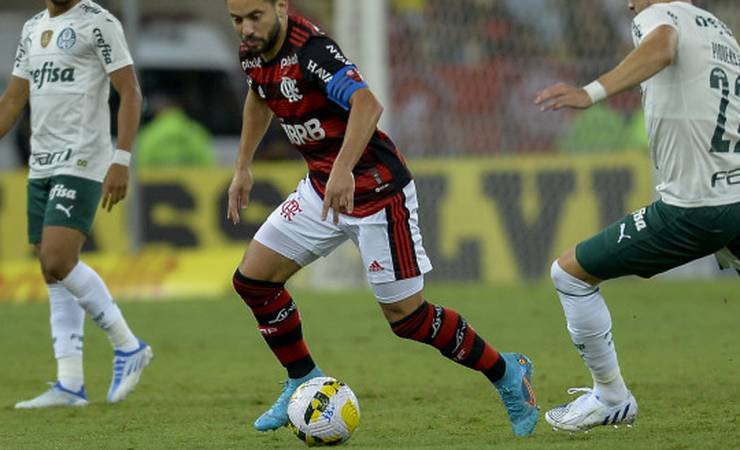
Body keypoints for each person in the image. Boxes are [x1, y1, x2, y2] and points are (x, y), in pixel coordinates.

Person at [225, 0, 538, 437]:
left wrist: (341, 170)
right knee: (254, 281)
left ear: (280, 7)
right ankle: (302, 378)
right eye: (237, 20)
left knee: (408, 320)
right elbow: (260, 95)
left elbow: (368, 106)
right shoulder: (253, 51)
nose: (246, 29)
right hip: (322, 189)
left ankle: (507, 372)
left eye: (254, 17)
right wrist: (243, 166)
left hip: (376, 192)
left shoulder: (311, 50)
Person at [535, 0, 740, 431]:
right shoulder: (720, 31)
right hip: (736, 194)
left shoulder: (659, 16)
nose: (629, 4)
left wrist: (589, 93)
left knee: (569, 274)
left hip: (694, 207)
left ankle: (611, 397)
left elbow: (663, 45)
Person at [0, 0, 152, 408]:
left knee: (57, 258)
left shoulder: (98, 23)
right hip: (41, 162)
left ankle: (129, 345)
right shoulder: (32, 27)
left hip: (83, 159)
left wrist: (121, 159)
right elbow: (14, 99)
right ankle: (70, 383)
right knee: (51, 271)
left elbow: (130, 92)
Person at [137, 91, 216, 168]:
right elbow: (207, 163)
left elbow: (142, 167)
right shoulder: (196, 131)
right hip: (191, 180)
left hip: (159, 181)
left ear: (157, 108)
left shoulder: (148, 134)